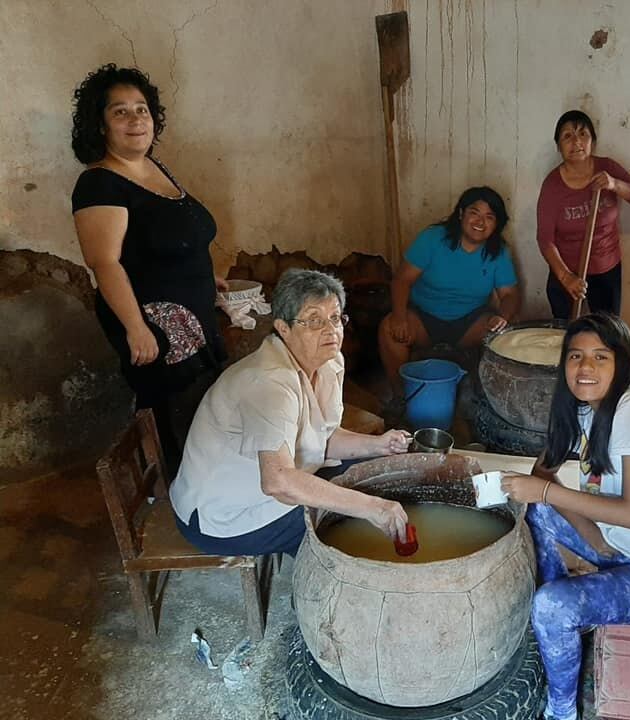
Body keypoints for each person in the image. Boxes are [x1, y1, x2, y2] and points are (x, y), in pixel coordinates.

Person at [500, 313, 630, 720]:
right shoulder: (581, 409)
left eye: (601, 357)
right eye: (576, 356)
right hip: (621, 545)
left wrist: (546, 492)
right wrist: (591, 534)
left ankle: (561, 711)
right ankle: (564, 624)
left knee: (551, 606)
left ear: (623, 363)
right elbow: (541, 475)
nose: (586, 367)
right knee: (538, 511)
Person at [170, 269, 411, 557]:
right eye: (313, 321)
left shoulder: (329, 361)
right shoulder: (269, 383)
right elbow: (277, 481)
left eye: (335, 318)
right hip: (220, 516)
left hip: (268, 482)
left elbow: (322, 436)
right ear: (283, 328)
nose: (331, 330)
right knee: (342, 522)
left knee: (365, 475)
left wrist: (378, 445)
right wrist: (373, 507)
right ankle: (322, 591)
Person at [71, 64, 227, 472]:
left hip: (193, 312)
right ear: (100, 125)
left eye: (141, 109)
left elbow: (168, 238)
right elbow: (104, 262)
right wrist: (135, 328)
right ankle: (180, 495)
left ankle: (207, 485)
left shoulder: (154, 168)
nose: (135, 119)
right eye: (119, 111)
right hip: (155, 323)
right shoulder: (99, 183)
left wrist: (204, 276)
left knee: (204, 407)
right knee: (174, 412)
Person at [378, 186, 520, 395]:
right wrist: (400, 317)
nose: (480, 222)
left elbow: (509, 295)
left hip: (469, 323)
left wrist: (503, 317)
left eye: (489, 217)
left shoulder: (498, 251)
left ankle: (486, 399)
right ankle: (401, 396)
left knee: (507, 333)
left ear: (496, 224)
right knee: (389, 328)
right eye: (474, 213)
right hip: (423, 318)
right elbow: (402, 280)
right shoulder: (433, 239)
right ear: (461, 213)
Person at [536, 110, 630, 319]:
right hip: (566, 271)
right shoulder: (552, 185)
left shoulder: (607, 167)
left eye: (583, 134)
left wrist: (615, 184)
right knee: (567, 335)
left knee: (606, 333)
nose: (576, 141)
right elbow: (545, 239)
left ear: (593, 141)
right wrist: (566, 278)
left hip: (607, 268)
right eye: (567, 136)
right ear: (558, 146)